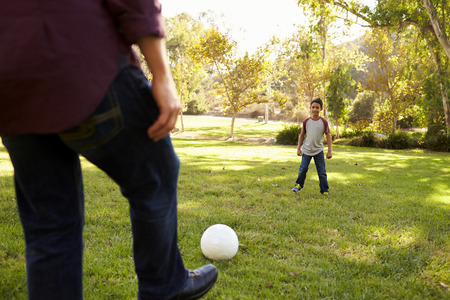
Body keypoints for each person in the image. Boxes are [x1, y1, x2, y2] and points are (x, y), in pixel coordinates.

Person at [0, 1, 217, 299]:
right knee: (155, 174)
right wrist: (162, 74)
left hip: (9, 82)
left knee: (49, 229)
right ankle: (166, 286)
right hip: (78, 59)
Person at [291, 98, 332, 196]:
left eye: (317, 107)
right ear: (310, 108)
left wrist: (329, 151)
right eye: (313, 107)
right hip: (307, 150)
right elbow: (302, 134)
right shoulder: (306, 121)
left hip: (318, 151)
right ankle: (298, 185)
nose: (315, 109)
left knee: (322, 172)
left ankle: (324, 190)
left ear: (321, 109)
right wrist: (298, 148)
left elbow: (328, 135)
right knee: (303, 169)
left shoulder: (324, 122)